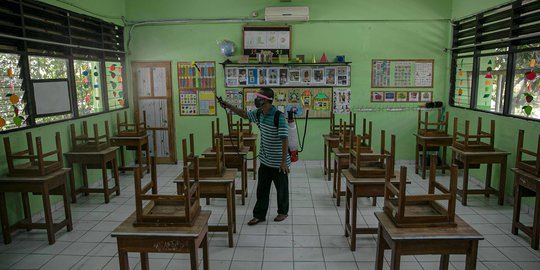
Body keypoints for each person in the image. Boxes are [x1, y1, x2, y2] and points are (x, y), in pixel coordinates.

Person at [219, 87, 290, 225]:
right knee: (262, 189)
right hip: (265, 160)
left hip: (279, 162)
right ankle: (259, 215)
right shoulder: (259, 113)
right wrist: (228, 106)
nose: (256, 99)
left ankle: (282, 212)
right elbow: (245, 114)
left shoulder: (278, 117)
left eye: (258, 97)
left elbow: (284, 139)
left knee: (281, 189)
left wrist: (283, 162)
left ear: (266, 100)